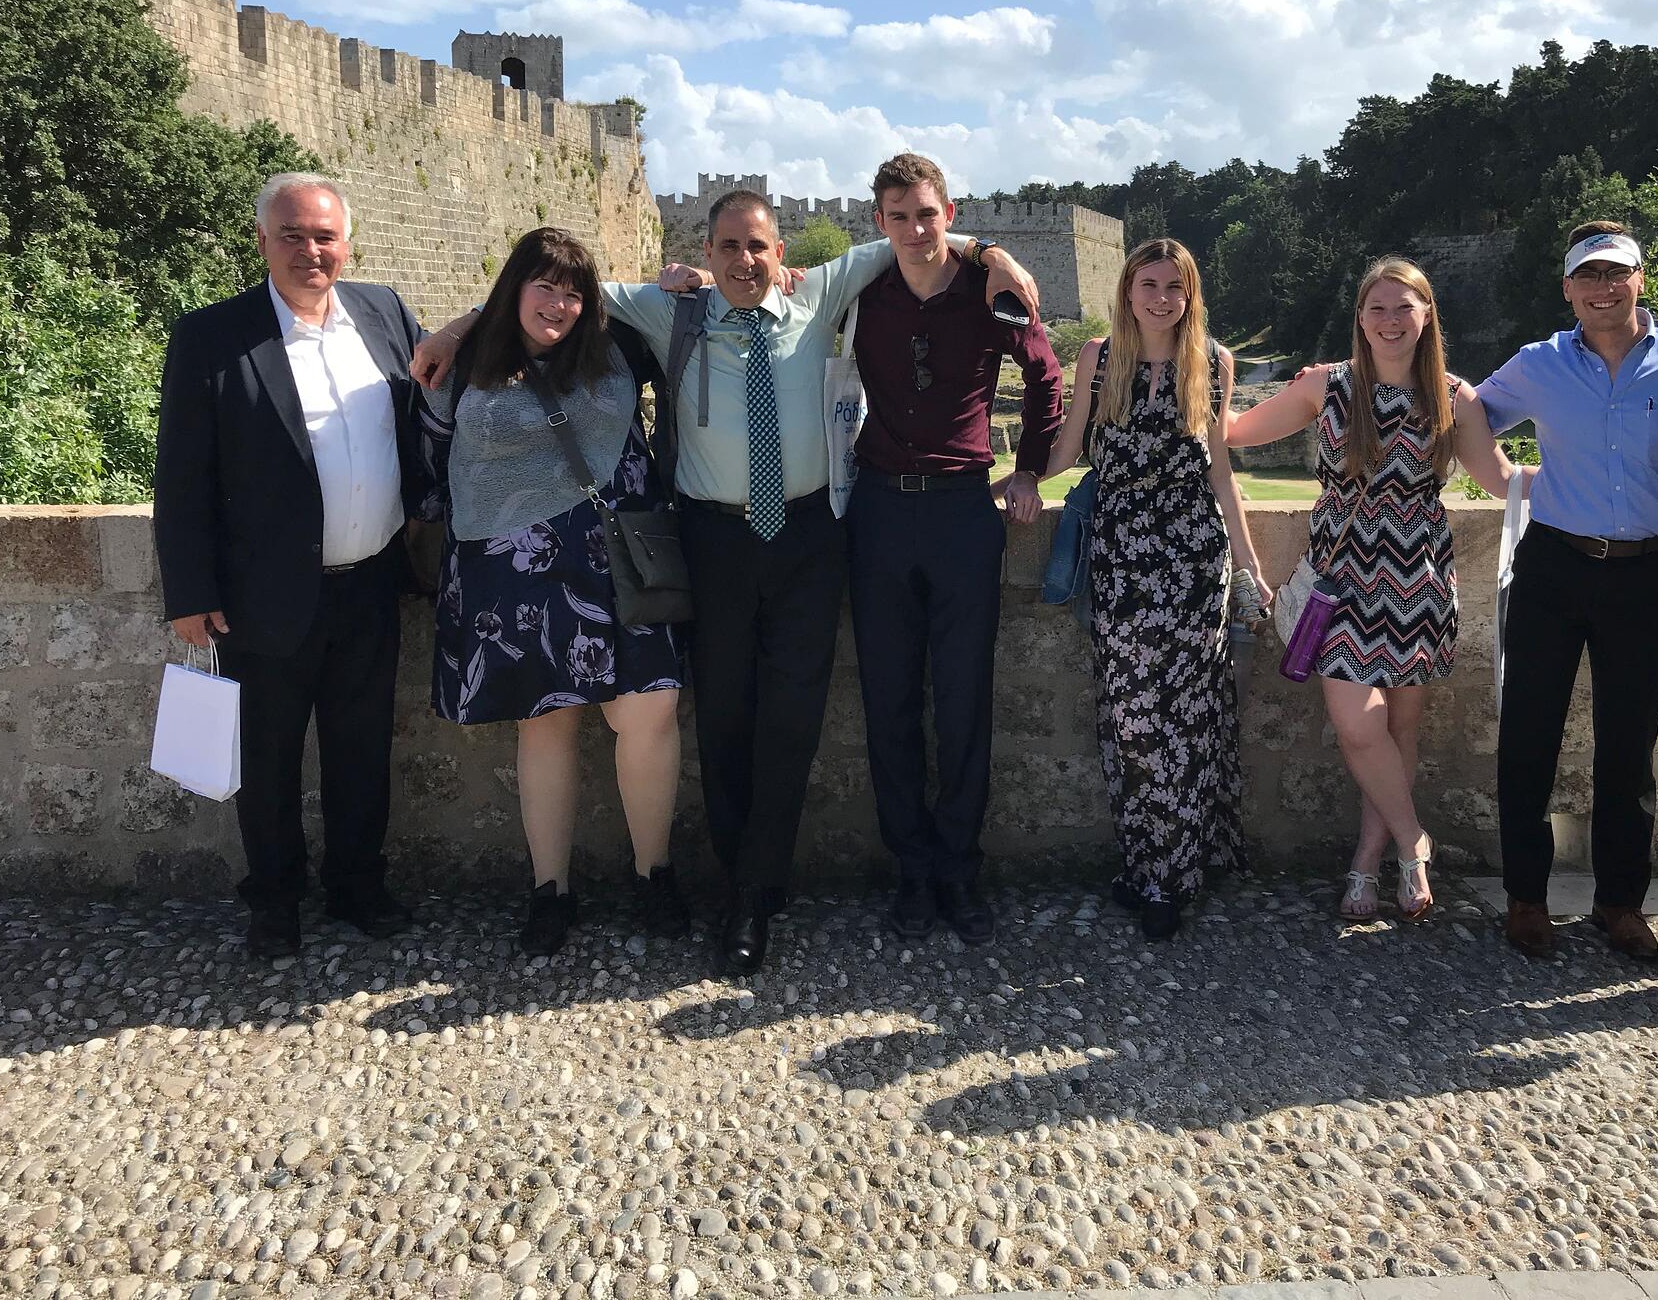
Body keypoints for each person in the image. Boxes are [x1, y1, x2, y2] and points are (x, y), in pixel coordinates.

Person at [414, 195, 1040, 976]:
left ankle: (757, 889)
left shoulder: (821, 295)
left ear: (782, 253)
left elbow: (917, 234)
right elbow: (542, 291)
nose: (745, 261)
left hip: (809, 537)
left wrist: (993, 254)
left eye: (758, 247)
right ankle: (738, 879)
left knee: (793, 717)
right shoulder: (667, 311)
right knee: (723, 716)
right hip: (711, 541)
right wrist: (454, 327)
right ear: (704, 254)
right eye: (728, 247)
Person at [153, 173, 426, 958]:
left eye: (325, 237)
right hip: (261, 593)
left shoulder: (383, 314)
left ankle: (357, 887)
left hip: (372, 580)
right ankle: (274, 900)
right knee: (268, 757)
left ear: (347, 242)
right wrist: (190, 591)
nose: (312, 251)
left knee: (362, 749)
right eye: (294, 236)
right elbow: (181, 477)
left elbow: (444, 380)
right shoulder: (212, 336)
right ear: (264, 242)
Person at [418, 228, 686, 956]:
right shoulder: (467, 359)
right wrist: (464, 319)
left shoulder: (617, 345)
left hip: (619, 565)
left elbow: (679, 315)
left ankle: (652, 873)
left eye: (573, 291)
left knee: (651, 710)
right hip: (516, 572)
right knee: (546, 722)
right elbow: (436, 460)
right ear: (514, 289)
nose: (559, 304)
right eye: (545, 286)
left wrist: (682, 280)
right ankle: (550, 891)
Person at [1230, 257, 1518, 924]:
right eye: (1377, 308)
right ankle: (1415, 840)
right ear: (1360, 318)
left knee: (1398, 728)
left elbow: (1502, 480)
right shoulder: (1325, 388)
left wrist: (1600, 469)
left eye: (1403, 307)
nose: (1390, 320)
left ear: (1426, 316)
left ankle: (1368, 861)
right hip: (1340, 580)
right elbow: (1234, 432)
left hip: (1418, 579)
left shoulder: (1454, 397)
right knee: (1359, 726)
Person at [1474, 224, 1658, 961]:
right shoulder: (1539, 364)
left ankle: (1620, 904)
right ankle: (1525, 898)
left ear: (1642, 278)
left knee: (1629, 745)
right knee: (1528, 737)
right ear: (1568, 289)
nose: (1603, 289)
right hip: (1553, 564)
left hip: (1646, 572)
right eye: (1589, 277)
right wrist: (1506, 483)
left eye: (1618, 274)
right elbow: (1469, 414)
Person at [846, 154, 1063, 946]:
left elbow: (1044, 379)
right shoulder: (863, 288)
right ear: (880, 221)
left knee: (964, 700)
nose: (913, 228)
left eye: (927, 214)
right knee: (889, 700)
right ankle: (911, 870)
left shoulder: (991, 290)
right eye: (898, 215)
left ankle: (960, 871)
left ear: (950, 211)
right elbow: (772, 286)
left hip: (963, 512)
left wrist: (1030, 469)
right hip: (876, 511)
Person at [1041, 238, 1266, 940]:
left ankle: (1168, 880)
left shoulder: (1214, 362)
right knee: (1133, 718)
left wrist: (1249, 566)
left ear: (1190, 294)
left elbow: (1221, 473)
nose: (1161, 297)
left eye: (1175, 286)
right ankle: (1152, 864)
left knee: (1190, 717)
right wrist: (1011, 480)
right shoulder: (1100, 358)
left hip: (1196, 560)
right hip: (1122, 557)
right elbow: (1070, 447)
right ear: (1128, 289)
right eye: (1149, 283)